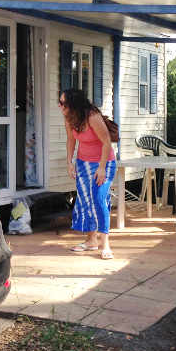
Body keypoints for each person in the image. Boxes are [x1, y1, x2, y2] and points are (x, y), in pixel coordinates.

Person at [59, 88, 116, 259]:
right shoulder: (69, 117)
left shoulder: (92, 116)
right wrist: (69, 162)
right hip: (83, 163)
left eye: (63, 103)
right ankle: (91, 241)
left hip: (104, 163)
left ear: (74, 104)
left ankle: (105, 244)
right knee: (86, 201)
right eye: (60, 102)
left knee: (99, 199)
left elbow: (106, 142)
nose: (60, 106)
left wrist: (101, 167)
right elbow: (71, 140)